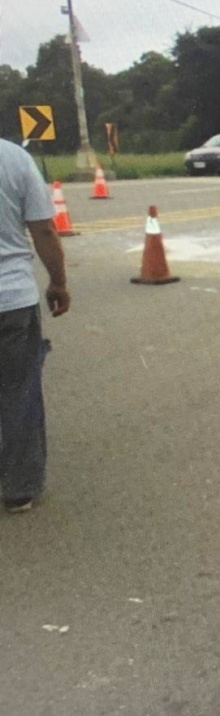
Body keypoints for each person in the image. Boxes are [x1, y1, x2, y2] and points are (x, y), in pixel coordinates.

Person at [0, 139, 70, 514]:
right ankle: (20, 487)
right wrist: (58, 281)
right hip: (11, 298)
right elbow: (44, 231)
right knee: (17, 390)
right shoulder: (15, 159)